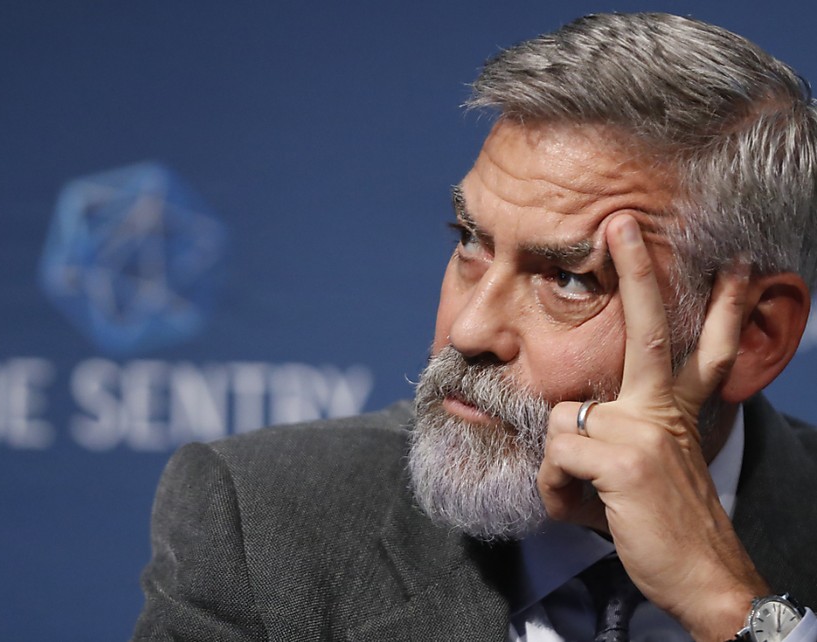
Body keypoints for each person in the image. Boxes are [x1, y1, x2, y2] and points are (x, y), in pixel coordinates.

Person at [132, 12, 817, 642]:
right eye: (469, 241)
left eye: (571, 279)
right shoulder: (261, 521)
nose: (468, 328)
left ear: (756, 334)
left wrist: (731, 609)